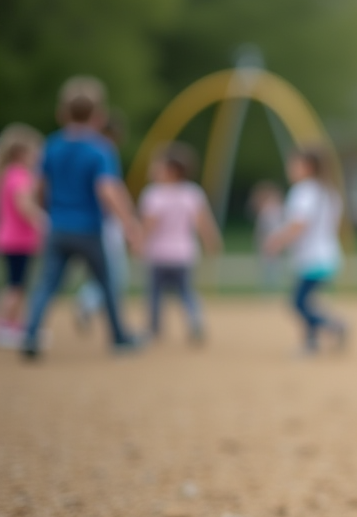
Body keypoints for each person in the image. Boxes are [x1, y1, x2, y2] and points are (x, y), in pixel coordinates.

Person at [21, 77, 142, 359]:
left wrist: (43, 212)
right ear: (99, 115)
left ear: (62, 113)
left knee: (47, 284)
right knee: (107, 282)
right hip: (88, 228)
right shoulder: (99, 148)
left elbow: (39, 188)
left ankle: (30, 334)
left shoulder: (51, 146)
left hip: (58, 227)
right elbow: (107, 190)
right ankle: (119, 337)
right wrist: (129, 222)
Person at [264, 146, 346, 354]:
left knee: (298, 302)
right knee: (306, 301)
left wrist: (277, 240)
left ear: (308, 167)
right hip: (328, 254)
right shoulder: (329, 191)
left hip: (312, 258)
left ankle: (334, 326)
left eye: (295, 164)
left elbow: (299, 224)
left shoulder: (304, 191)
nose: (290, 168)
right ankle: (311, 343)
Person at [139, 143, 222, 344]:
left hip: (158, 254)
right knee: (186, 292)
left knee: (155, 294)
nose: (154, 169)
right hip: (184, 253)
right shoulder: (192, 193)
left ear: (171, 170)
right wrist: (212, 243)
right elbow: (204, 223)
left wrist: (138, 242)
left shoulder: (154, 194)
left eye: (158, 166)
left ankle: (154, 329)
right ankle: (194, 320)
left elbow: (149, 225)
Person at [75, 110, 129, 333]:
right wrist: (128, 220)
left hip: (77, 223)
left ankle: (92, 303)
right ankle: (90, 304)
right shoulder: (103, 152)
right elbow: (109, 190)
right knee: (115, 276)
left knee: (100, 273)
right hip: (103, 223)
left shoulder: (79, 150)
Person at [0, 124, 47, 347]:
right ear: (21, 153)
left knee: (17, 283)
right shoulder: (20, 176)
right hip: (19, 240)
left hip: (11, 238)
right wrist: (42, 220)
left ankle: (13, 324)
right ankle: (7, 325)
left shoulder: (8, 175)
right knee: (16, 285)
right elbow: (23, 205)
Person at [248, 180, 286, 290]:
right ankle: (270, 289)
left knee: (271, 267)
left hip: (271, 241)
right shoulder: (274, 209)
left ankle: (271, 289)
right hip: (270, 241)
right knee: (270, 267)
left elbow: (268, 229)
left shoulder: (270, 210)